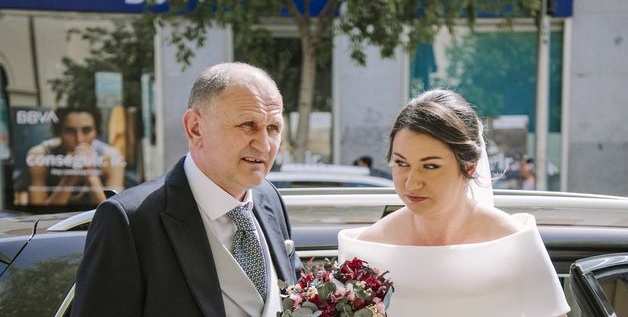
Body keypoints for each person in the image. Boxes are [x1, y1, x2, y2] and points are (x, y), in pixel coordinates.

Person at [72, 62, 302, 317]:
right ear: (195, 128)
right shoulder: (130, 222)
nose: (264, 145)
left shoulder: (269, 199)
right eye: (248, 124)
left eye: (273, 128)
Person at [339, 89, 569, 316]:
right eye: (401, 163)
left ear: (469, 167)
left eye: (430, 166)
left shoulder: (513, 240)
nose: (411, 183)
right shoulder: (367, 247)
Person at [26, 107, 125, 206]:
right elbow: (39, 213)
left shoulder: (111, 157)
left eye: (86, 130)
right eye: (70, 131)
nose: (79, 139)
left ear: (96, 132)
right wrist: (70, 175)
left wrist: (91, 176)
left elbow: (114, 212)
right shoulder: (40, 155)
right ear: (59, 133)